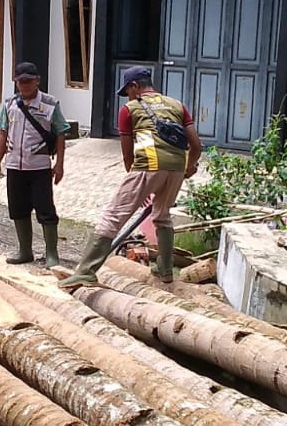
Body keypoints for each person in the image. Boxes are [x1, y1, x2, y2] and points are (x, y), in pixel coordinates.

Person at [59, 67, 201, 289]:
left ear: (135, 86)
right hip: (175, 168)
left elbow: (127, 155)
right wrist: (187, 167)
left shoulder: (130, 109)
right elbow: (197, 146)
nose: (128, 96)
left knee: (113, 216)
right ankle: (165, 270)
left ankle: (86, 271)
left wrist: (136, 183)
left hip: (148, 165)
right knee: (162, 216)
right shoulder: (177, 105)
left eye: (128, 91)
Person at [0, 62, 68, 267]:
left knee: (46, 210)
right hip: (15, 165)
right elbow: (2, 133)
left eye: (28, 81)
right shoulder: (9, 104)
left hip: (40, 166)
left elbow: (61, 133)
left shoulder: (50, 104)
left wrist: (59, 164)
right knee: (18, 208)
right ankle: (25, 250)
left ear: (37, 81)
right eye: (20, 81)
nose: (24, 85)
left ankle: (51, 253)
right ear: (16, 82)